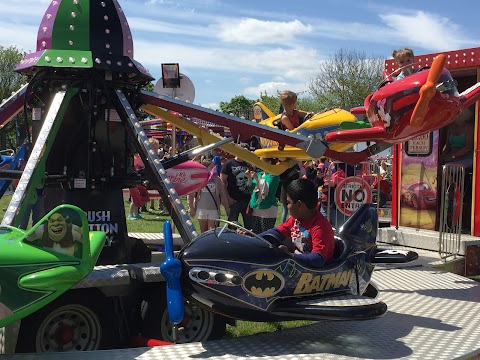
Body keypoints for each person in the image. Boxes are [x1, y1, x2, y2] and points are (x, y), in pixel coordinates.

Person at [260, 178, 335, 268]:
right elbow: (277, 233)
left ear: (299, 205)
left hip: (316, 274)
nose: (287, 206)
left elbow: (318, 259)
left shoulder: (320, 226)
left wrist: (291, 256)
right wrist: (253, 237)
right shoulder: (296, 219)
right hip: (299, 268)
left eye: (288, 202)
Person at [188, 159, 230, 233]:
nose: (214, 168)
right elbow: (191, 194)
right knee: (203, 232)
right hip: (201, 208)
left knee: (211, 231)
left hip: (213, 208)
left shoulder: (217, 180)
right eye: (212, 166)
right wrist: (191, 207)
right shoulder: (199, 179)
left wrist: (227, 208)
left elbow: (222, 195)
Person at [245, 158, 280, 234]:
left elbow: (266, 189)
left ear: (269, 162)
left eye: (261, 161)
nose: (259, 163)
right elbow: (251, 187)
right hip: (256, 208)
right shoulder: (259, 174)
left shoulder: (274, 175)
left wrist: (257, 179)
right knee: (256, 234)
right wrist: (249, 178)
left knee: (266, 235)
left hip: (267, 208)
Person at [220, 156, 252, 229]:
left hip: (247, 200)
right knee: (232, 225)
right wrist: (227, 198)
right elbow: (222, 182)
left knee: (249, 227)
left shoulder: (248, 165)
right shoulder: (228, 164)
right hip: (233, 200)